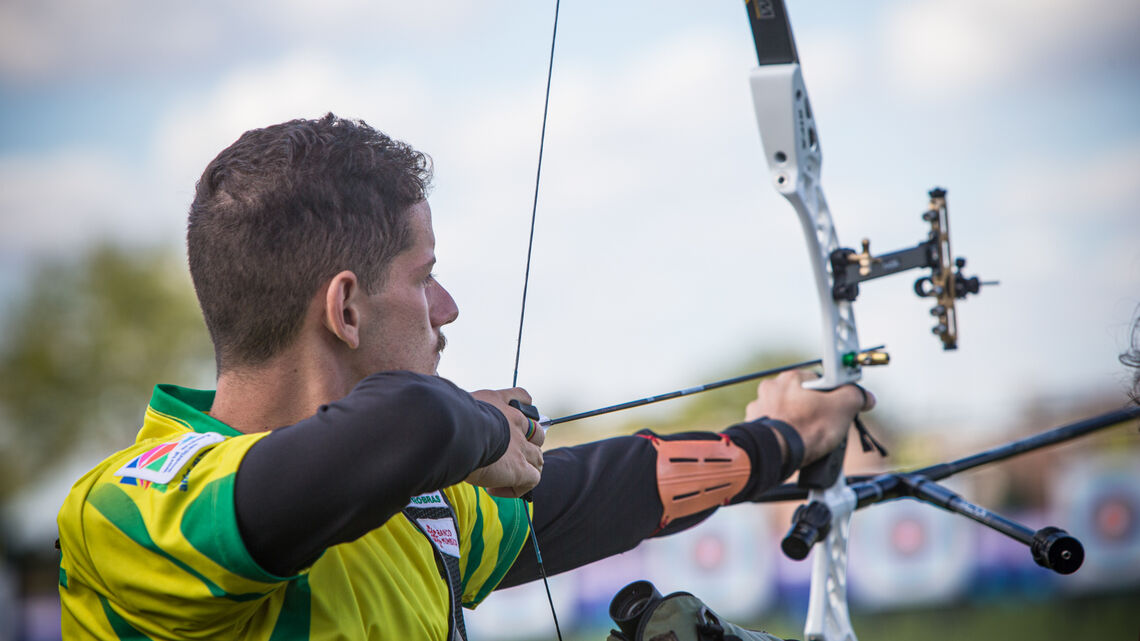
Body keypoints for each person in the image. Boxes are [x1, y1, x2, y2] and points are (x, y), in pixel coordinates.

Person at [56, 114, 873, 640]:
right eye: (424, 276)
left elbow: (601, 490)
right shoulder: (131, 511)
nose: (446, 308)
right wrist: (475, 428)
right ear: (345, 309)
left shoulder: (410, 503)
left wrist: (782, 438)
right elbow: (412, 424)